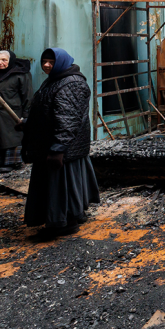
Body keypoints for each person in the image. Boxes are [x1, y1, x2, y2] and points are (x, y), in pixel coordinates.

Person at [20, 48, 99, 238]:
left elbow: (68, 120)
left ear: (62, 62)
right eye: (44, 61)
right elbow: (48, 110)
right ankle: (73, 215)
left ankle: (64, 224)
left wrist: (58, 149)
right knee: (64, 186)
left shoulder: (71, 84)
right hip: (55, 144)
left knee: (61, 187)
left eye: (51, 62)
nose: (46, 65)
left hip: (62, 148)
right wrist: (28, 123)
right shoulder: (55, 80)